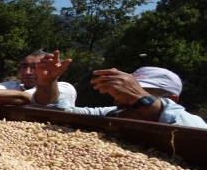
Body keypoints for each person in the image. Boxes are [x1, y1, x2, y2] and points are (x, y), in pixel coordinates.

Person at [31, 50, 207, 129]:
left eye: (133, 92)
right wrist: (47, 82)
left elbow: (198, 135)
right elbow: (61, 113)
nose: (118, 100)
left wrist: (140, 99)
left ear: (172, 99)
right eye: (123, 91)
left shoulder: (188, 122)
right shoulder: (113, 113)